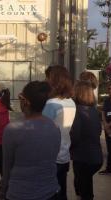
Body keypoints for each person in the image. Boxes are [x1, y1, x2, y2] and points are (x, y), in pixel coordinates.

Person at [0, 81, 60, 200]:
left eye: (21, 97)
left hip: (19, 193)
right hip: (50, 192)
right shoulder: (54, 127)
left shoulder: (12, 130)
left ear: (25, 102)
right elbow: (53, 158)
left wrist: (3, 189)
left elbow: (7, 167)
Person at [43, 65, 76, 200]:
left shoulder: (51, 104)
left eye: (48, 78)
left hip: (51, 156)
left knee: (49, 194)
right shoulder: (71, 102)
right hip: (64, 154)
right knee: (62, 192)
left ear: (54, 81)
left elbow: (41, 130)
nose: (46, 81)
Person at [70, 81, 103, 200]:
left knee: (84, 191)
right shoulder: (94, 111)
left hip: (83, 158)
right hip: (96, 157)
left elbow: (75, 136)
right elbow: (98, 131)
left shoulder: (77, 110)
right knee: (87, 186)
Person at [99, 81, 111, 175]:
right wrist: (106, 125)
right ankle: (109, 169)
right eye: (109, 88)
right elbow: (103, 112)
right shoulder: (106, 100)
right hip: (108, 128)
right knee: (110, 149)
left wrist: (109, 125)